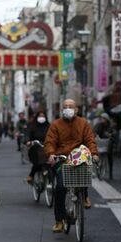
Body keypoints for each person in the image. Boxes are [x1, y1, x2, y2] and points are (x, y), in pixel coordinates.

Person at [44, 99, 98, 233]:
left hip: (79, 157)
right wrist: (51, 154)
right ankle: (59, 220)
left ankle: (84, 196)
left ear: (76, 109)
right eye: (65, 107)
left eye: (71, 106)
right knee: (60, 186)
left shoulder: (83, 123)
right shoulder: (56, 125)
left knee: (85, 171)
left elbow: (90, 140)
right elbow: (50, 141)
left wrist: (94, 153)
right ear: (62, 110)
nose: (68, 109)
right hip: (62, 159)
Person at [26, 111, 50, 184]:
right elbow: (27, 135)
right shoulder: (32, 126)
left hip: (46, 146)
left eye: (43, 116)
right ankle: (31, 175)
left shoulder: (49, 126)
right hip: (35, 147)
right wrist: (28, 141)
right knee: (38, 162)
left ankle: (50, 180)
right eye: (40, 116)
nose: (41, 118)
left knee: (51, 161)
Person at [95, 113, 116, 180]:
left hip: (108, 143)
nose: (102, 119)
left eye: (104, 118)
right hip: (100, 143)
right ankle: (97, 169)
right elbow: (95, 132)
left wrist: (111, 135)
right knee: (97, 156)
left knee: (110, 156)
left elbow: (114, 133)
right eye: (102, 118)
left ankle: (110, 173)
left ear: (107, 119)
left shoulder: (110, 126)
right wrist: (96, 136)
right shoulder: (98, 125)